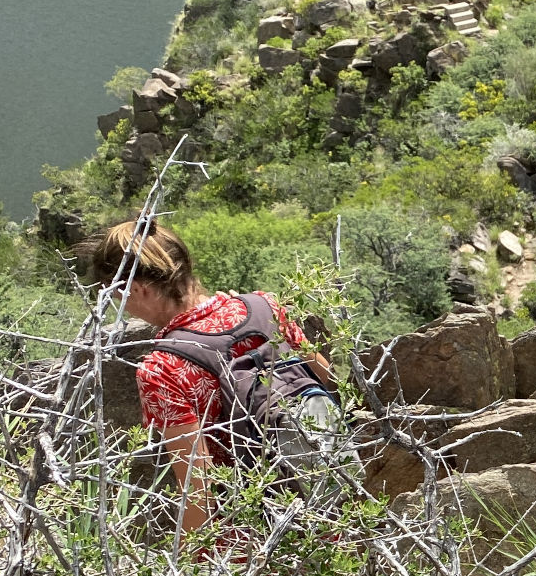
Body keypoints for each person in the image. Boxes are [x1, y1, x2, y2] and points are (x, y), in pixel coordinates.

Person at [86, 218, 343, 534]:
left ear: (138, 290)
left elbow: (198, 488)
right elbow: (327, 377)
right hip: (338, 498)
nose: (125, 312)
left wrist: (190, 562)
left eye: (120, 300)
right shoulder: (265, 305)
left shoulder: (162, 369)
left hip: (257, 534)